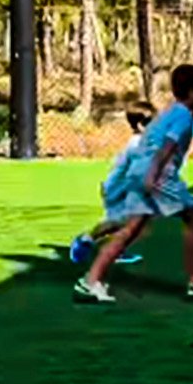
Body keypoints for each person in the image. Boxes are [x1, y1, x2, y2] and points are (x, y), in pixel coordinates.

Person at [73, 64, 193, 304]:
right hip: (159, 173)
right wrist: (153, 175)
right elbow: (167, 145)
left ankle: (91, 282)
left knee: (130, 229)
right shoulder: (183, 117)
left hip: (141, 170)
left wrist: (139, 174)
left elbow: (149, 142)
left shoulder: (172, 112)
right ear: (191, 92)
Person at [69, 101, 156, 267]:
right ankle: (86, 240)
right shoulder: (137, 145)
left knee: (139, 225)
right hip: (119, 191)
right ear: (140, 125)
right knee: (120, 223)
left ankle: (114, 248)